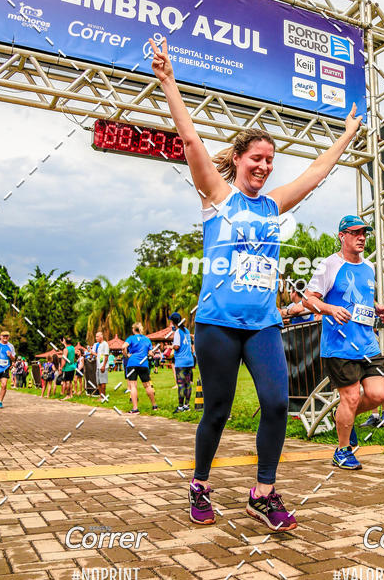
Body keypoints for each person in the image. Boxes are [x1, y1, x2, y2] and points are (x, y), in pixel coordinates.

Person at [150, 36, 363, 530]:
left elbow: (316, 172)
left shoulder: (273, 205)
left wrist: (347, 134)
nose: (265, 167)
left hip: (264, 324)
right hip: (217, 325)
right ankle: (200, 484)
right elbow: (191, 143)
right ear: (239, 159)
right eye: (257, 159)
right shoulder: (217, 197)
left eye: (270, 161)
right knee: (218, 411)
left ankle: (263, 493)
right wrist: (168, 82)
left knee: (274, 403)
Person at [304, 216, 384, 470]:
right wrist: (330, 309)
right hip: (339, 345)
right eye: (355, 233)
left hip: (368, 344)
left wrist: (378, 309)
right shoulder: (329, 265)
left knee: (378, 394)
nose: (362, 237)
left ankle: (344, 417)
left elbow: (362, 299)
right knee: (350, 397)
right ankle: (342, 451)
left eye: (364, 233)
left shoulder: (370, 267)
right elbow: (308, 299)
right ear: (342, 236)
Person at [123, 322, 158, 414]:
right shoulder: (147, 339)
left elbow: (123, 347)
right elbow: (151, 353)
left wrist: (127, 355)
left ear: (133, 330)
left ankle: (135, 409)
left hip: (132, 363)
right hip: (143, 364)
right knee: (147, 385)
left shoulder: (131, 338)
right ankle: (154, 406)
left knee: (133, 385)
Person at [170, 312, 195, 413]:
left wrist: (170, 347)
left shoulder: (177, 332)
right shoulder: (187, 331)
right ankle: (187, 405)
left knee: (181, 384)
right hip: (189, 360)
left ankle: (180, 407)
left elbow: (176, 346)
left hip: (181, 361)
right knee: (188, 384)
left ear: (173, 322)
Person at [90, 331, 110, 400]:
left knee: (103, 382)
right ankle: (100, 396)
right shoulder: (98, 345)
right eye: (96, 336)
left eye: (97, 336)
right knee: (98, 382)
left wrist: (103, 366)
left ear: (101, 336)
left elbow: (106, 356)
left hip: (103, 366)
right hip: (98, 366)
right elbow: (99, 355)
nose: (96, 338)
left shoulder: (105, 344)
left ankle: (103, 396)